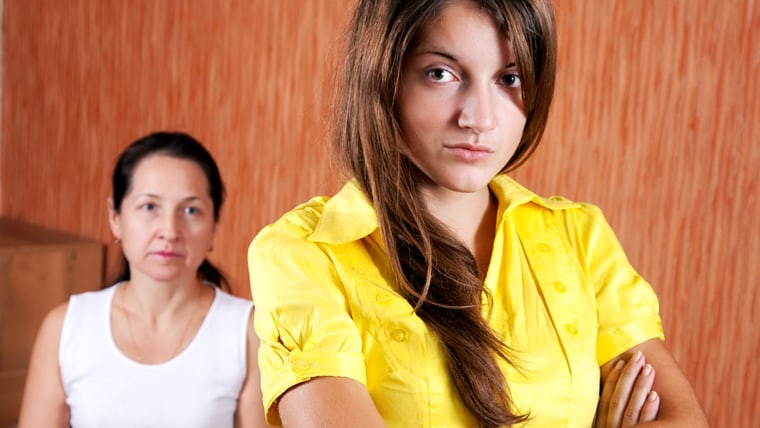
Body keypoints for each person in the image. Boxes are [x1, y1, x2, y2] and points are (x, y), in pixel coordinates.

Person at [248, 0, 708, 427]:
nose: (479, 118)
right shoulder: (304, 253)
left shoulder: (578, 236)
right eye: (441, 74)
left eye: (509, 78)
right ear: (382, 75)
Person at [18, 132, 269, 428]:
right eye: (149, 207)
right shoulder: (66, 327)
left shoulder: (249, 332)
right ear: (116, 218)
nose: (169, 230)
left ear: (213, 226)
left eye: (191, 210)